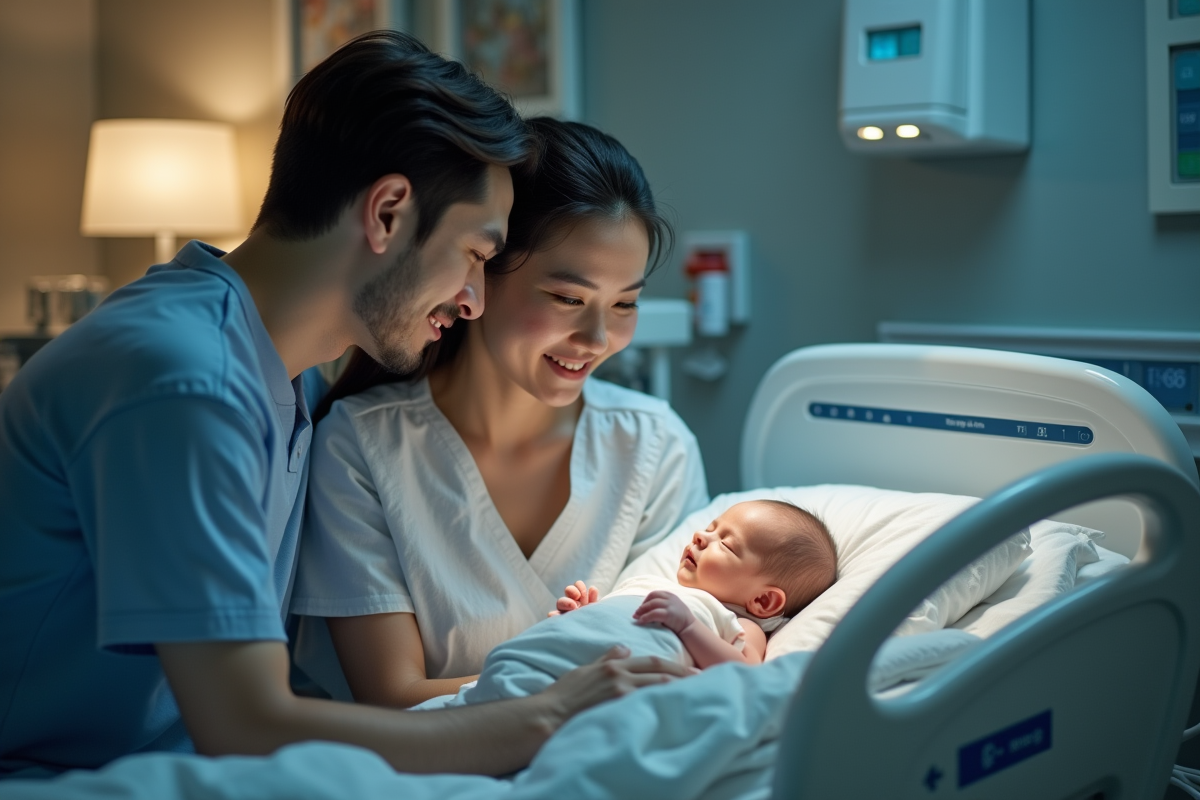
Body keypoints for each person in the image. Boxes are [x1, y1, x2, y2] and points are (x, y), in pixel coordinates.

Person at [0, 31, 691, 779]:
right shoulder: (185, 382)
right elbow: (246, 722)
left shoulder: (280, 381)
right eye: (474, 255)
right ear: (389, 211)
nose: (471, 298)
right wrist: (551, 712)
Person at [290, 117, 710, 709]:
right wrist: (573, 692)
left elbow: (675, 660)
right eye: (568, 298)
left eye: (625, 304)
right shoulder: (360, 449)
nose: (596, 337)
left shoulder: (655, 448)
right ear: (480, 272)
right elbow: (392, 696)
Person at [557, 500, 838, 668]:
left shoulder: (741, 625)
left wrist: (688, 627)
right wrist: (586, 615)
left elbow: (743, 671)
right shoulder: (655, 585)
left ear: (763, 601)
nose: (701, 536)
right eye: (711, 528)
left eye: (726, 545)